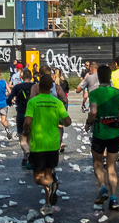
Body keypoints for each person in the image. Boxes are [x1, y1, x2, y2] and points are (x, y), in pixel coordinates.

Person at [23, 73, 71, 214]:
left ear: (38, 86)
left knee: (38, 177)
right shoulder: (57, 102)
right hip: (53, 143)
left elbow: (27, 121)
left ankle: (50, 185)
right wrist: (59, 120)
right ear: (52, 87)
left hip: (39, 143)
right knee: (48, 173)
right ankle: (48, 204)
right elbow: (67, 122)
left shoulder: (33, 102)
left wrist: (26, 131)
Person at [85, 64, 119, 211]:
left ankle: (102, 188)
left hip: (99, 132)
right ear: (110, 77)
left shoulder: (95, 93)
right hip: (115, 133)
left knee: (97, 162)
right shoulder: (118, 93)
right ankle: (114, 198)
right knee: (111, 167)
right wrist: (115, 115)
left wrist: (88, 122)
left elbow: (93, 112)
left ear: (98, 77)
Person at [7, 72, 36, 169]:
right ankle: (27, 160)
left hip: (21, 113)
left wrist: (12, 102)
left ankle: (26, 155)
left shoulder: (17, 87)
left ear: (22, 77)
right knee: (29, 138)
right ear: (31, 77)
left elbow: (9, 99)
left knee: (22, 139)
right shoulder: (35, 86)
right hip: (32, 114)